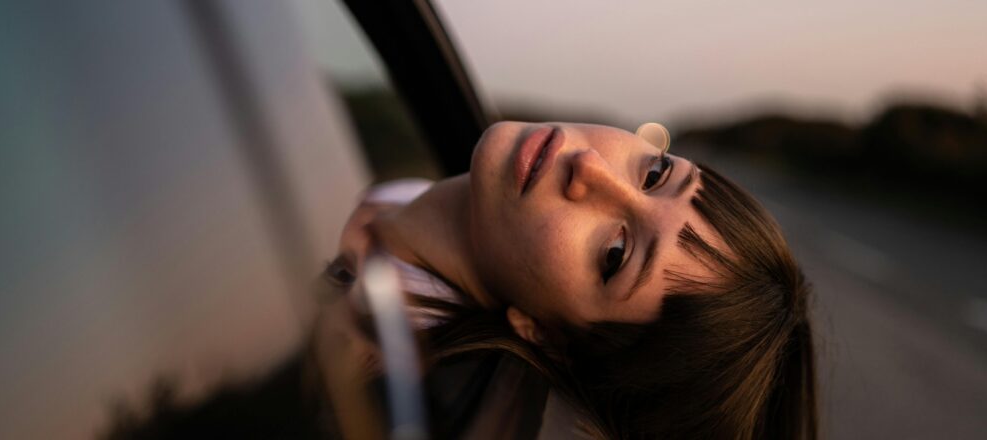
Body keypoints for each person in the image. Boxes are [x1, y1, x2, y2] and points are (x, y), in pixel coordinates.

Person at [320, 121, 817, 439]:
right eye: (656, 173)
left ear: (544, 334)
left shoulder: (350, 362)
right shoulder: (399, 198)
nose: (590, 167)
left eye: (615, 254)